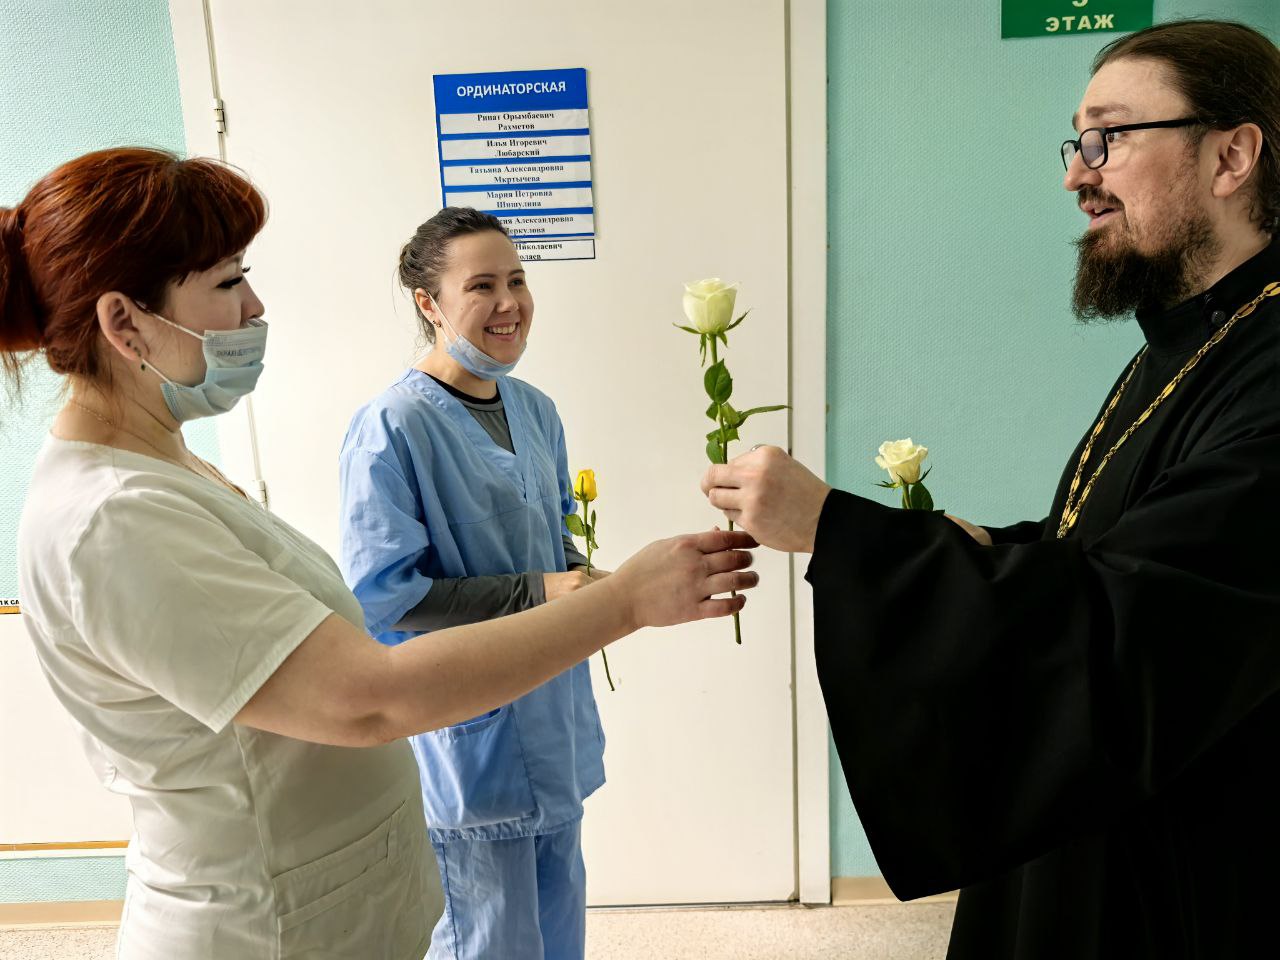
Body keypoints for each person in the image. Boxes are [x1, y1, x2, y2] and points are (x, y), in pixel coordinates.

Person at [3, 147, 758, 960]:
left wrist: (597, 586)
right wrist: (618, 601)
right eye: (227, 282)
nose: (255, 305)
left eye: (517, 280)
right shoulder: (114, 518)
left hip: (366, 880)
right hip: (269, 922)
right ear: (125, 324)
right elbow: (368, 689)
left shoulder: (172, 467)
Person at [702, 19, 1280, 960]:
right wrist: (986, 547)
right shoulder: (1195, 338)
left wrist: (840, 530)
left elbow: (1147, 627)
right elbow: (1108, 542)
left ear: (1231, 156)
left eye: (1109, 137)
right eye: (1077, 143)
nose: (1077, 174)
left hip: (1196, 864)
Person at [337, 207, 605, 960]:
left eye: (516, 280)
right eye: (481, 286)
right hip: (470, 733)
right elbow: (385, 597)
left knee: (560, 935)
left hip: (552, 715)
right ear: (430, 302)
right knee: (489, 939)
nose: (509, 303)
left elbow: (552, 542)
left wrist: (590, 586)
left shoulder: (536, 412)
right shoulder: (391, 427)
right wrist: (540, 594)